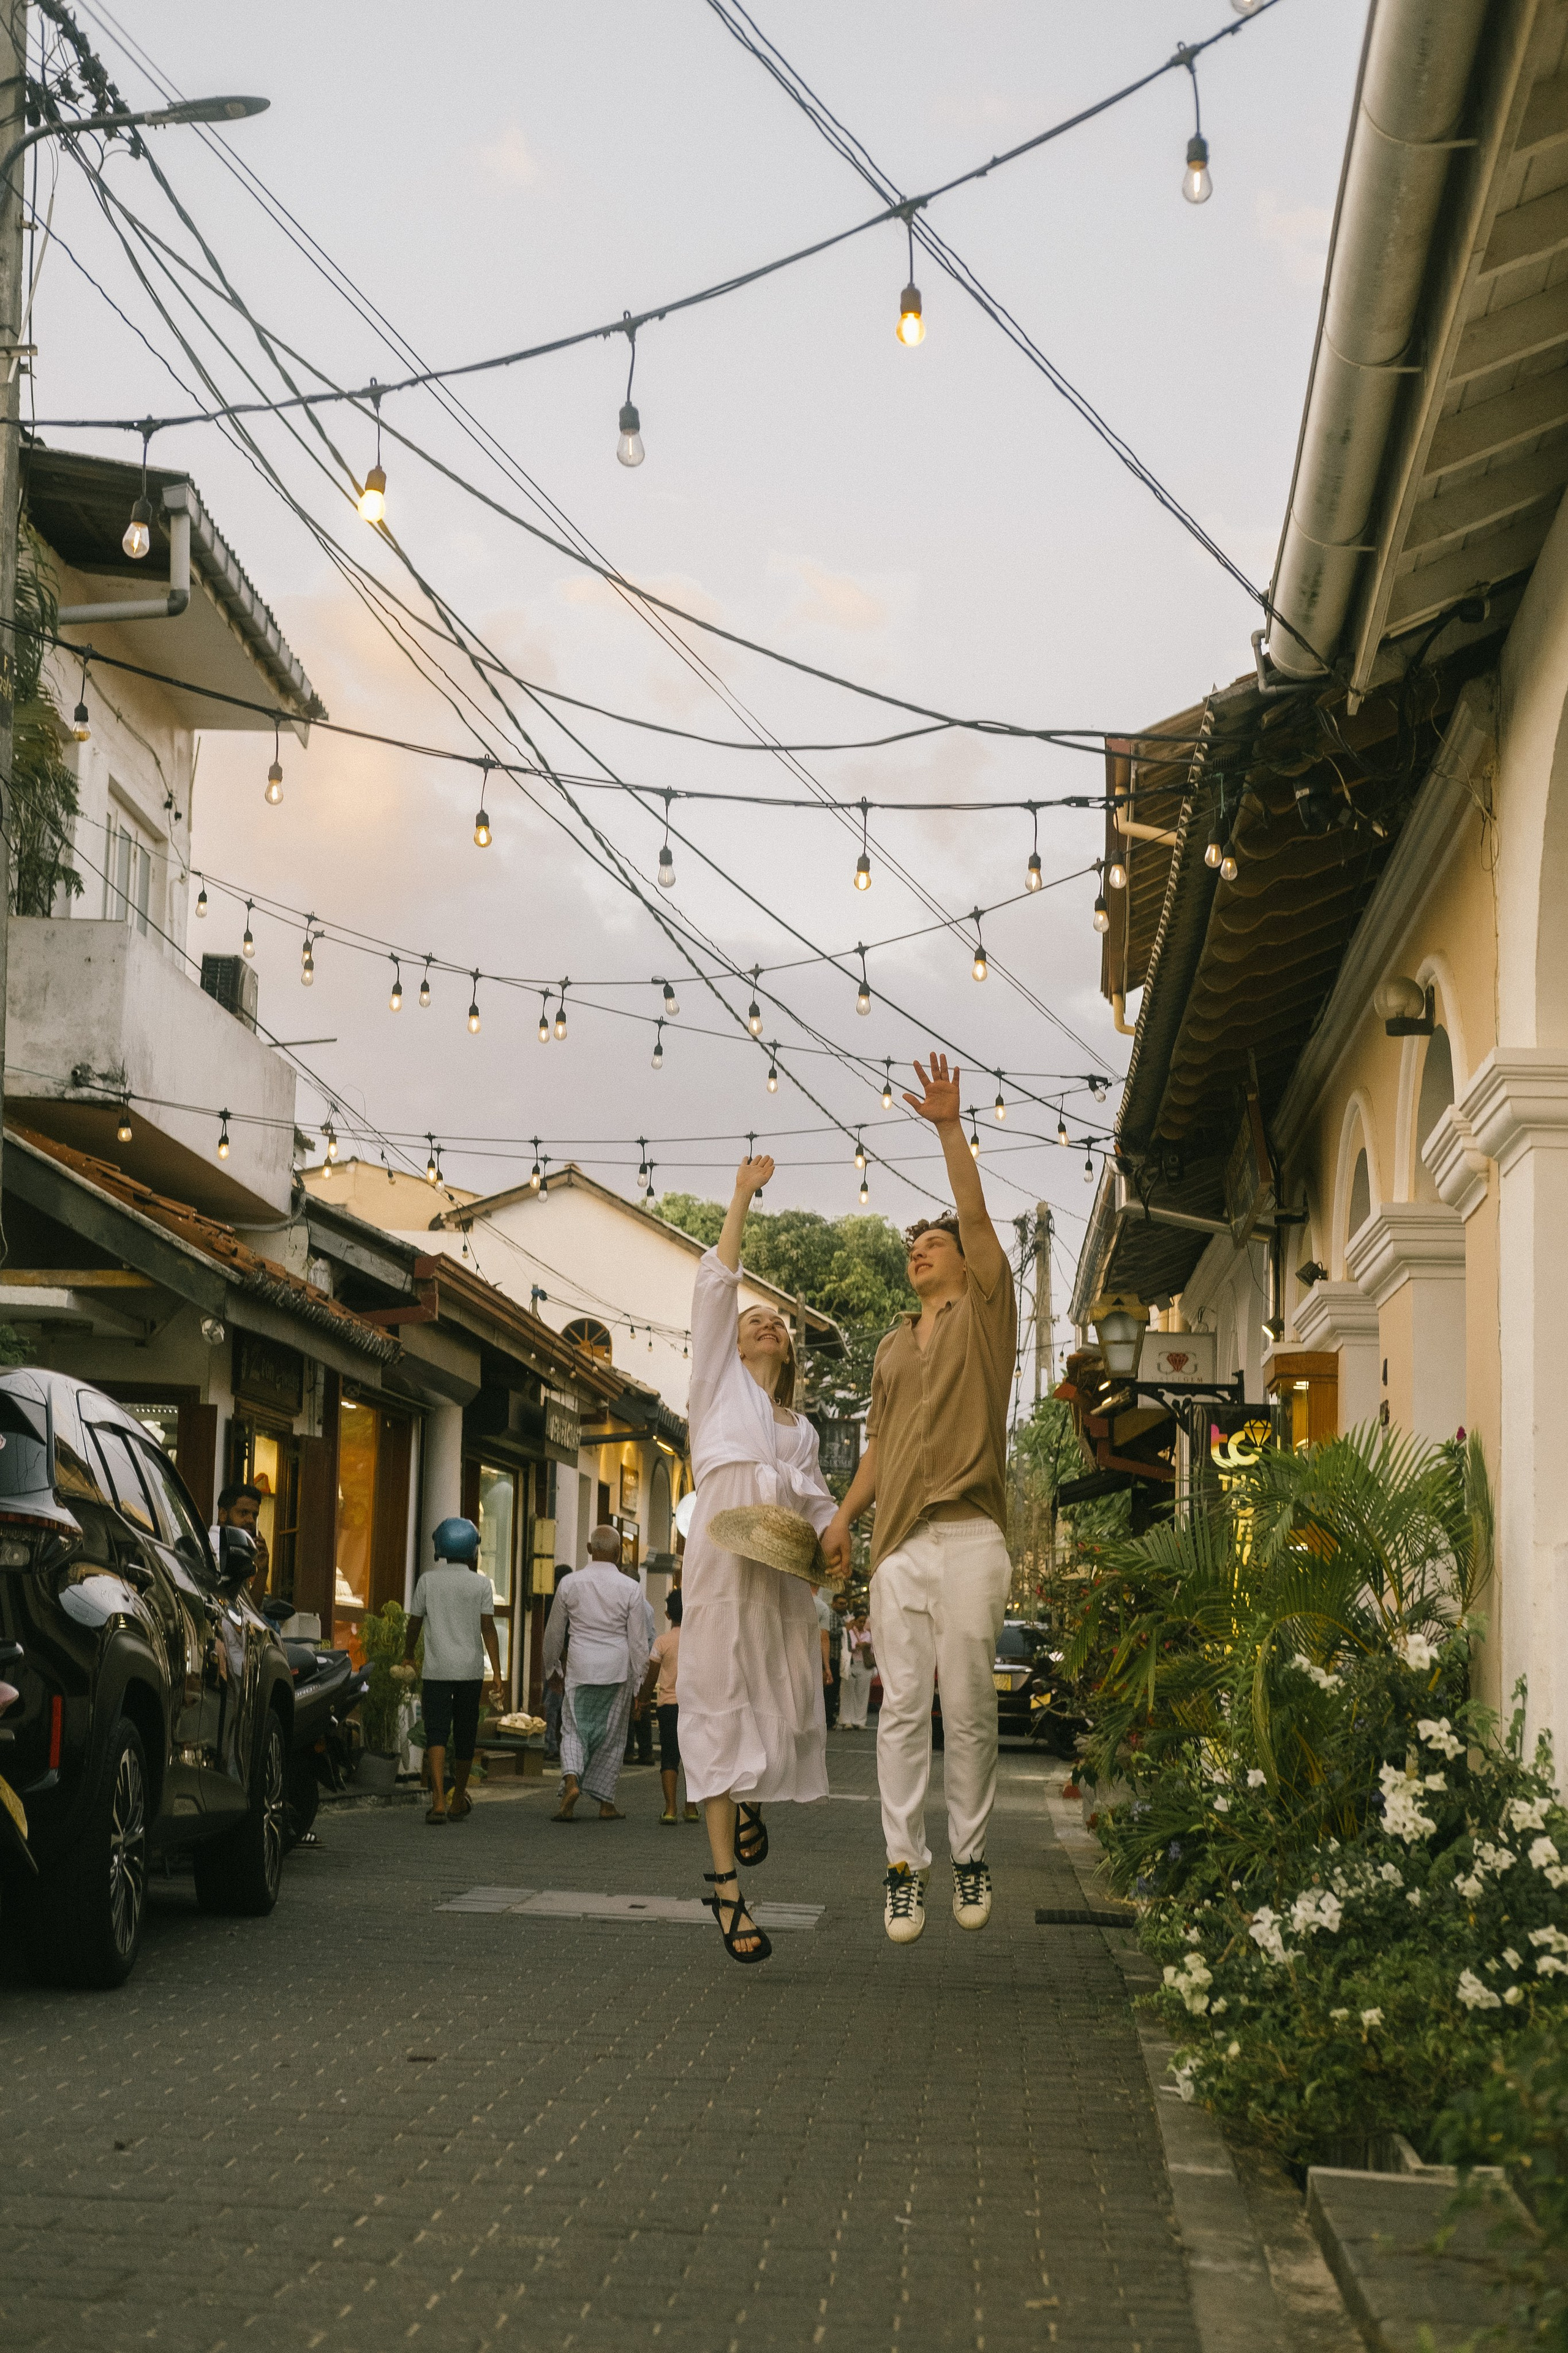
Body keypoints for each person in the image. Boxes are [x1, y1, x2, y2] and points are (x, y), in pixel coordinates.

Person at [823, 1054, 1017, 1946]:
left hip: (974, 1533)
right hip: (900, 1541)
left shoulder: (986, 1308)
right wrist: (844, 1516)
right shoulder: (892, 1348)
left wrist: (948, 1128)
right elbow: (878, 1448)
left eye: (930, 1242)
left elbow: (974, 1214)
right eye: (912, 1246)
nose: (919, 1251)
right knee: (902, 1706)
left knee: (970, 1702)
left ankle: (970, 1854)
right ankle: (905, 1865)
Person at [679, 1154, 837, 1966]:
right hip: (716, 1573)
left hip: (775, 1580)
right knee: (713, 1711)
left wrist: (846, 1545)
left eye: (776, 1321)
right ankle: (726, 1890)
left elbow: (817, 1505)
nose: (764, 1324)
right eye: (753, 1319)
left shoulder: (799, 1429)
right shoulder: (714, 1388)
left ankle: (745, 1802)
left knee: (777, 1713)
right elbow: (716, 1285)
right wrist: (741, 1195)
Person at [541, 1525, 650, 1820]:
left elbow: (554, 1633)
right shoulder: (630, 1588)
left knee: (573, 1730)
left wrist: (552, 1667)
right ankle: (605, 1803)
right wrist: (641, 1682)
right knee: (612, 1736)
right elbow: (638, 1640)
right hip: (617, 1669)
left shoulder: (569, 1584)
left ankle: (572, 1781)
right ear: (618, 1554)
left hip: (580, 1666)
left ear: (590, 1550)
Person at [401, 1516, 503, 1826]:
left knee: (436, 1731)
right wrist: (497, 1673)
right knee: (465, 1732)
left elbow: (414, 1623)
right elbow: (489, 1628)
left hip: (437, 1670)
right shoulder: (482, 1583)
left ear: (440, 1547)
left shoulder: (428, 1581)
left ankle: (438, 1801)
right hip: (470, 1670)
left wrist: (408, 1655)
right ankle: (459, 1799)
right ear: (473, 1549)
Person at [641, 1588, 699, 1822]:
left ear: (667, 1615)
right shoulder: (698, 1641)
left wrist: (643, 1700)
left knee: (669, 1756)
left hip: (668, 1706)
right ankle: (692, 1808)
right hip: (694, 1706)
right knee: (694, 1758)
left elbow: (652, 1675)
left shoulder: (662, 1642)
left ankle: (670, 1809)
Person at [621, 1554, 658, 1766]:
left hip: (634, 1661)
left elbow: (641, 1638)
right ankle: (642, 1751)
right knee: (637, 1706)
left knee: (633, 1706)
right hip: (639, 1659)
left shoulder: (638, 1606)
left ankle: (635, 1750)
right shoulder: (646, 1606)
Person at [210, 1481, 270, 1600]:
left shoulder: (236, 1546)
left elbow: (246, 1610)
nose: (251, 1520)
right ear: (223, 1514)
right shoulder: (218, 1547)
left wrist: (263, 1570)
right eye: (244, 1513)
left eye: (255, 1515)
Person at [542, 1564, 571, 1761]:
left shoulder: (552, 1600)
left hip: (554, 1656)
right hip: (559, 1657)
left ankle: (552, 1743)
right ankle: (551, 1743)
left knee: (554, 1702)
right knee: (554, 1702)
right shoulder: (558, 1600)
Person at [839, 1614, 875, 1729]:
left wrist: (865, 1645)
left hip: (864, 1664)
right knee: (848, 1692)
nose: (862, 1624)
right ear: (854, 1621)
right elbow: (847, 1646)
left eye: (864, 1622)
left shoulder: (868, 1633)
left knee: (863, 1693)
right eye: (860, 1621)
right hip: (851, 1663)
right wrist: (858, 1646)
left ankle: (860, 1721)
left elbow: (873, 1649)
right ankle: (846, 1720)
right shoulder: (848, 1632)